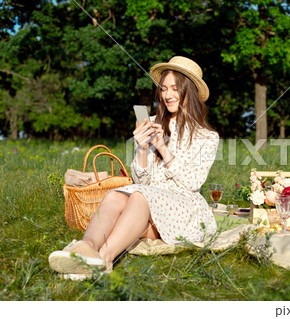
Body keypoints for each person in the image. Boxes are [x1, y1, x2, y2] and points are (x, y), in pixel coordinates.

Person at [49, 56, 219, 279]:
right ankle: (86, 247)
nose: (167, 95)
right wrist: (141, 148)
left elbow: (192, 183)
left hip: (183, 209)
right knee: (114, 195)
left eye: (175, 89)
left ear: (190, 92)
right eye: (164, 89)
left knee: (138, 196)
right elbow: (142, 182)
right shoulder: (152, 121)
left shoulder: (206, 136)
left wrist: (163, 149)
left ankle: (104, 258)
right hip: (148, 203)